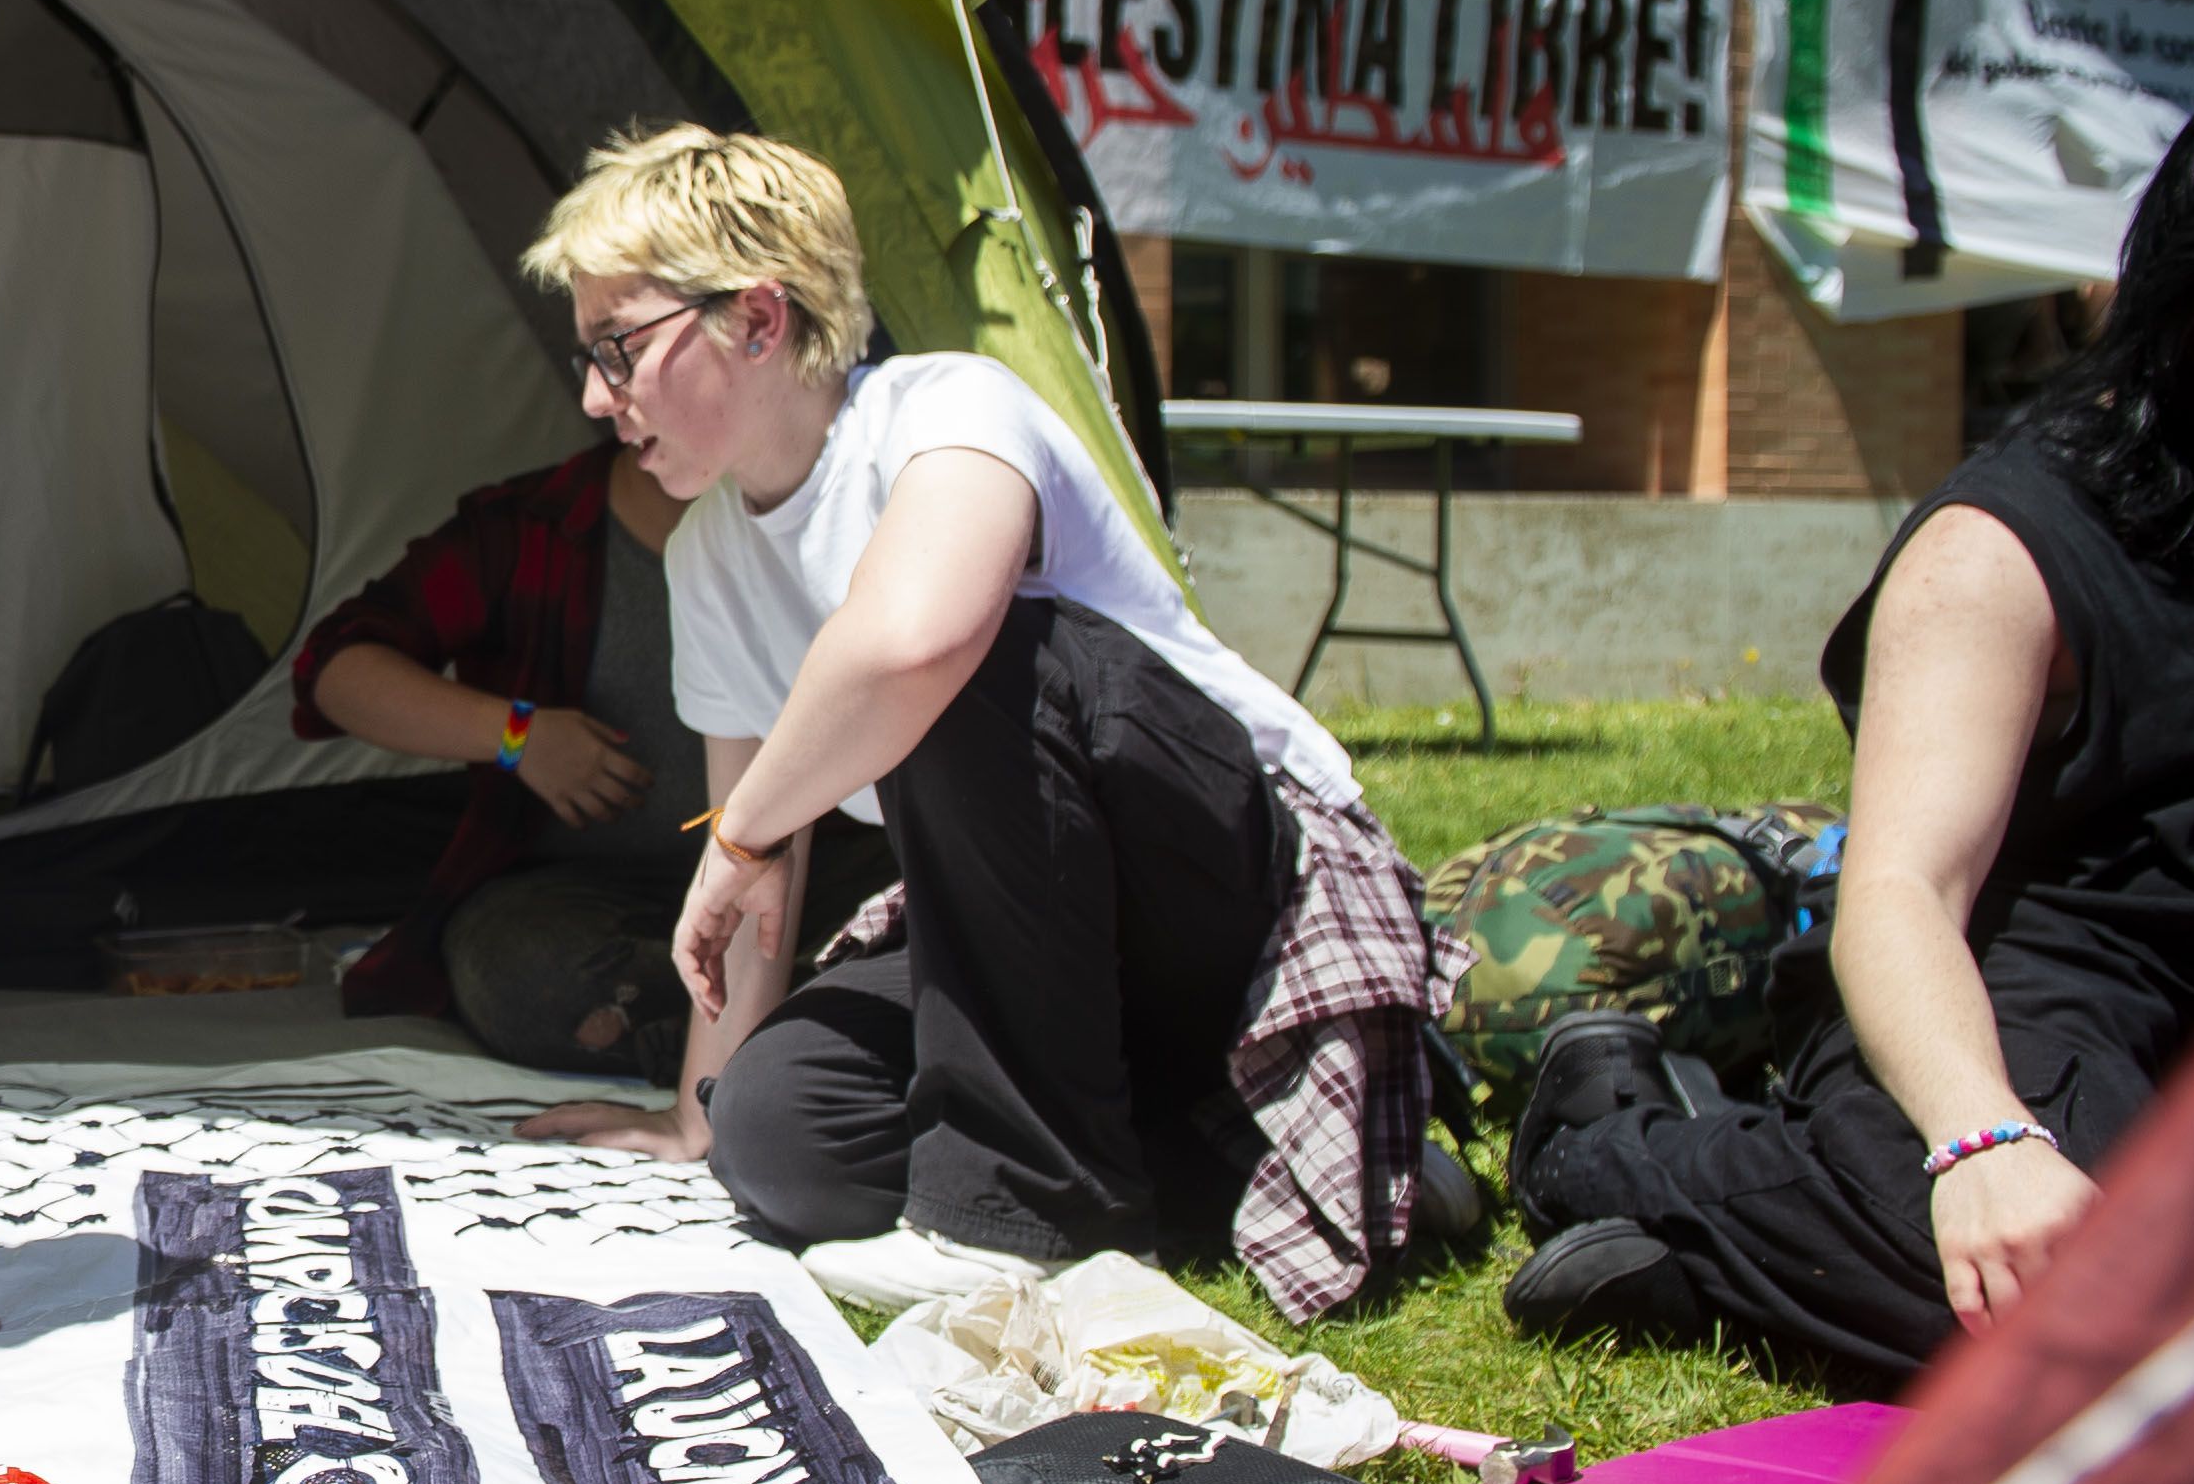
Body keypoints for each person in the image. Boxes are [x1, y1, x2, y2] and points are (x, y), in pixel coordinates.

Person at [1510, 42, 2194, 1375]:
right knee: (2085, 1289)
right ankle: (1616, 1141)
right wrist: (1985, 1141)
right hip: (2033, 1010)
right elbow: (1906, 891)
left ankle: (1729, 1273)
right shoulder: (2001, 550)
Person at [517, 127, 1450, 1320]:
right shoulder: (706, 552)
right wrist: (692, 1118)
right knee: (778, 1130)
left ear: (754, 319)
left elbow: (911, 643)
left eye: (618, 347)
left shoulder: (947, 407)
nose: (595, 395)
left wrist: (738, 835)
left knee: (973, 659)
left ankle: (1031, 1219)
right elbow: (767, 863)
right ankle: (1242, 1155)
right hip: (1033, 946)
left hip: (1224, 884)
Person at [289, 434, 876, 1078]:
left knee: (923, 915)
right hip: (582, 889)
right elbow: (335, 668)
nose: (608, 396)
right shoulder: (531, 529)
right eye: (606, 363)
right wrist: (516, 735)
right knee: (519, 972)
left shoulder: (833, 514)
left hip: (803, 874)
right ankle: (798, 1023)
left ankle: (751, 1024)